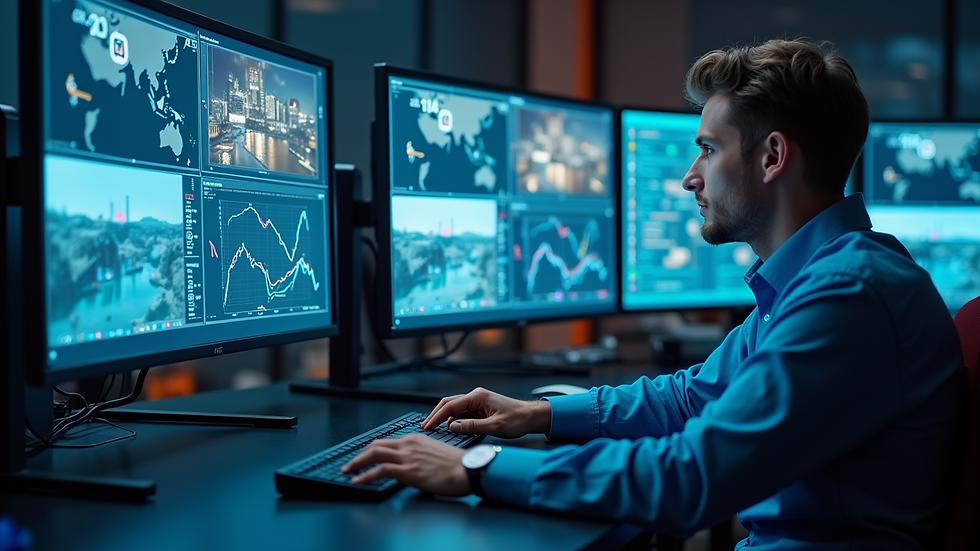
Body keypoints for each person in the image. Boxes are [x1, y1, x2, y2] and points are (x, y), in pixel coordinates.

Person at [343, 39, 964, 549]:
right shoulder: (822, 278)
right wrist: (541, 414)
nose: (689, 176)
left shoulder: (848, 296)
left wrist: (476, 467)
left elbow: (690, 481)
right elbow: (692, 398)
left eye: (708, 148)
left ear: (773, 156)